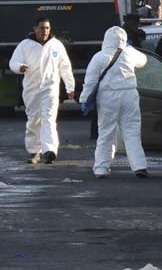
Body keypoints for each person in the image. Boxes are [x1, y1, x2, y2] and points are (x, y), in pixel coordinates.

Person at [80, 27, 149, 179]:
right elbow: (143, 61)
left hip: (107, 97)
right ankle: (139, 166)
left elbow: (90, 81)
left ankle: (101, 168)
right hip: (129, 94)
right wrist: (129, 47)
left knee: (106, 132)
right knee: (132, 132)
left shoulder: (99, 57)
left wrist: (84, 99)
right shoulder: (129, 53)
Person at [9, 16, 75, 164]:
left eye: (47, 28)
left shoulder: (56, 45)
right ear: (35, 29)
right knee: (34, 119)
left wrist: (70, 87)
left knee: (49, 118)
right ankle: (34, 151)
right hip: (31, 89)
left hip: (50, 88)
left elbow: (65, 67)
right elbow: (13, 62)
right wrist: (19, 67)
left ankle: (49, 150)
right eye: (41, 28)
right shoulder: (25, 45)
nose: (44, 31)